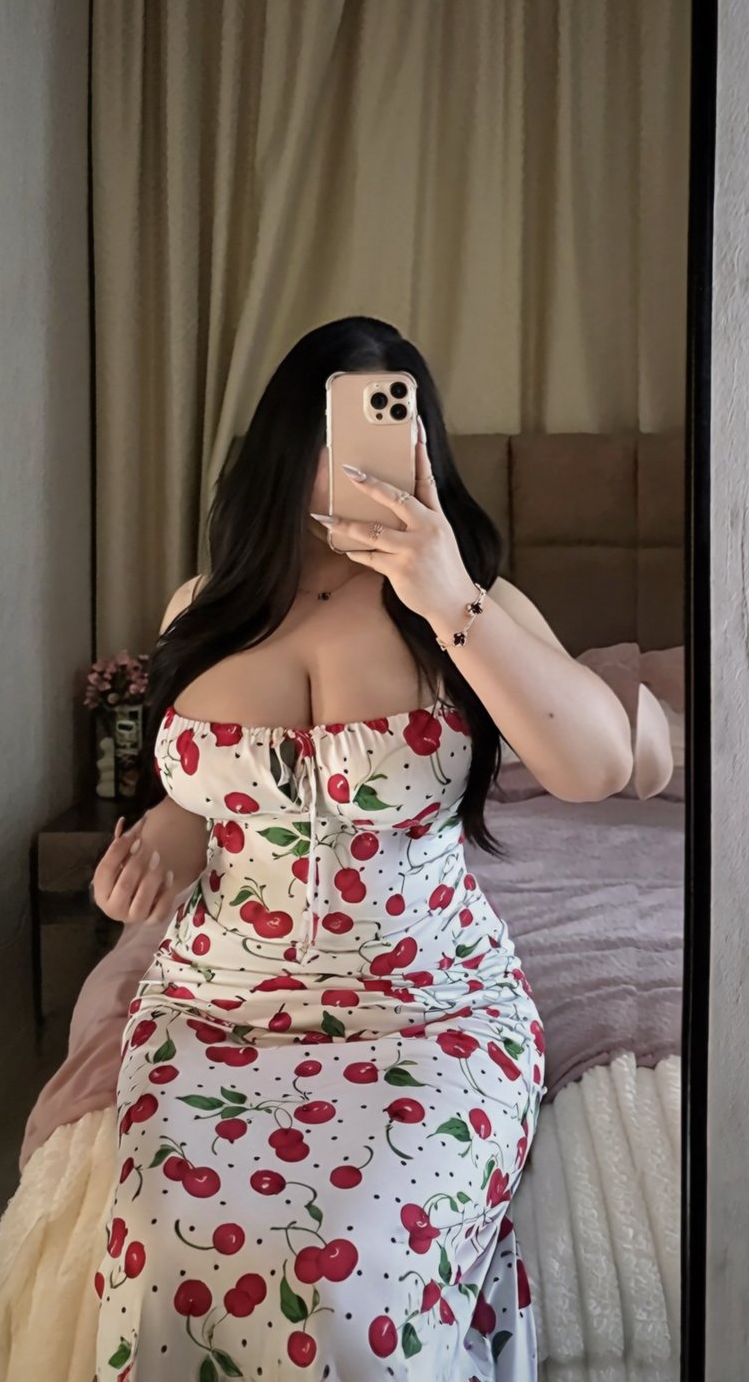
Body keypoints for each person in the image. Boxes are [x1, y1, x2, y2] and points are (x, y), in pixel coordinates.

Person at [90, 317, 633, 1381]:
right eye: (332, 432)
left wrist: (448, 594)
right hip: (214, 1012)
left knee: (348, 1278)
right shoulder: (205, 607)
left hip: (430, 1010)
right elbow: (209, 799)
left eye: (387, 427)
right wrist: (158, 843)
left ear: (423, 443)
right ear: (287, 441)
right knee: (174, 1260)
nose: (356, 459)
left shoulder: (472, 604)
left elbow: (596, 767)